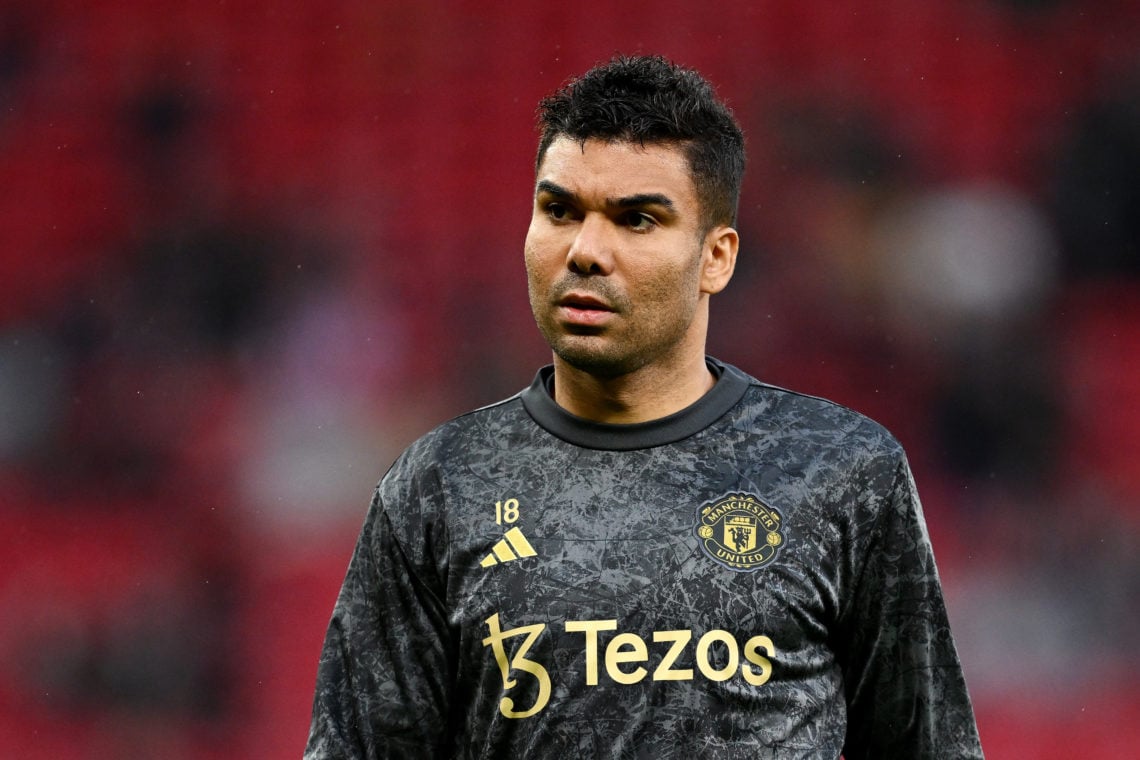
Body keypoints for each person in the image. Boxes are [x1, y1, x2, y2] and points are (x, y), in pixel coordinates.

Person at [304, 55, 983, 759]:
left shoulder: (845, 474)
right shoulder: (437, 486)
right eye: (559, 210)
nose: (586, 251)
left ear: (715, 258)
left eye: (637, 220)